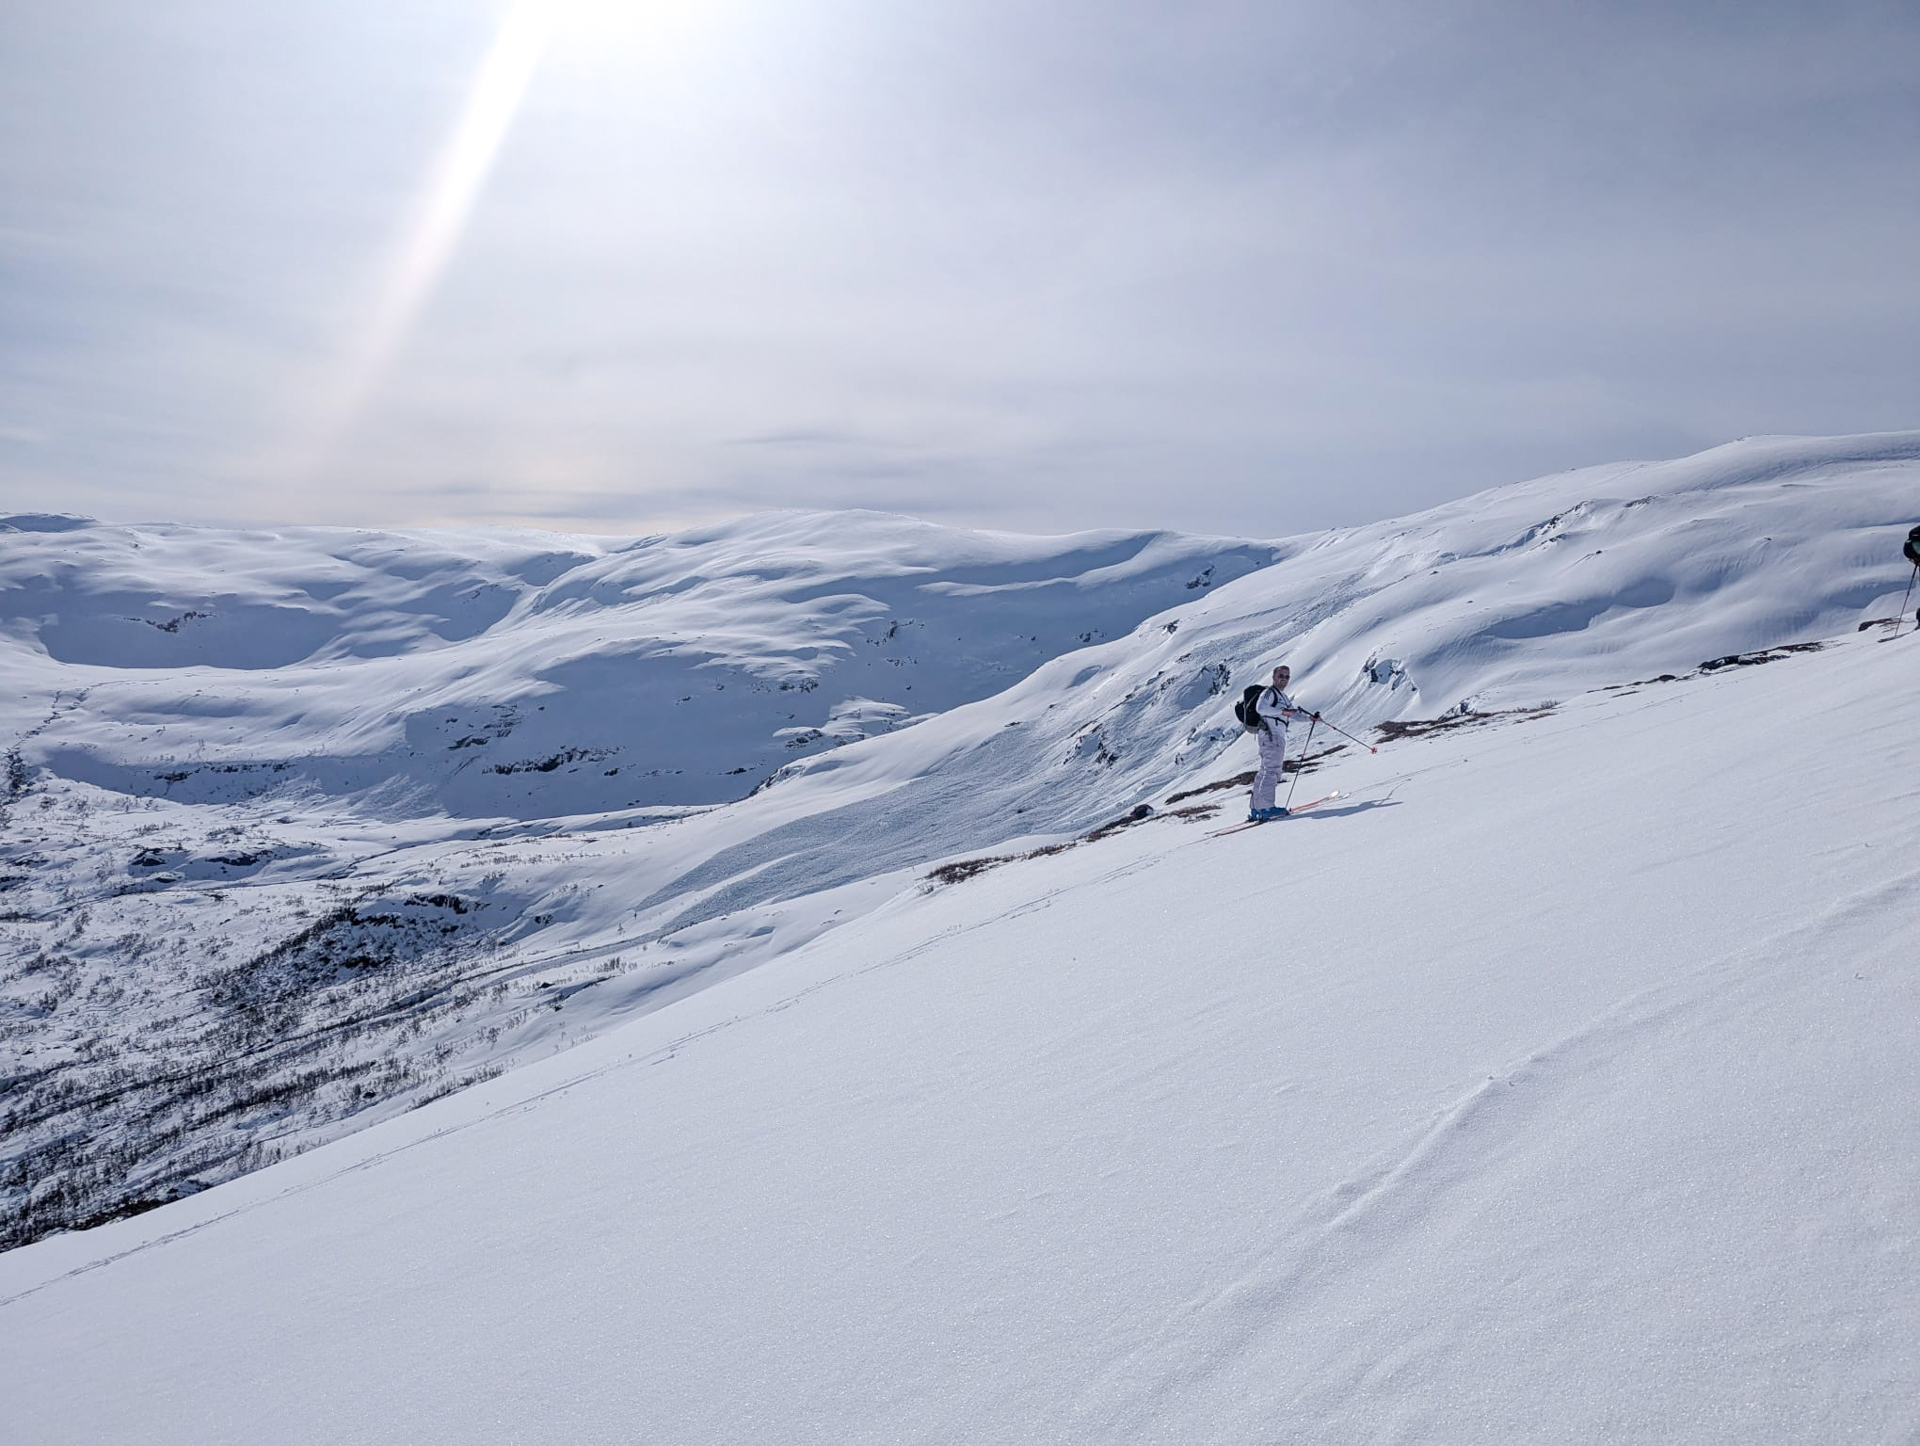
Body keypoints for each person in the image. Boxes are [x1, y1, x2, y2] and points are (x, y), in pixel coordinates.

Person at [1249, 664, 1319, 821]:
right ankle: (1267, 808)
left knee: (1264, 771)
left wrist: (1309, 719)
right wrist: (1282, 712)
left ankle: (1256, 808)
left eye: (1287, 676)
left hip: (1271, 735)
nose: (1284, 679)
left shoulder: (1282, 697)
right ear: (1274, 677)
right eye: (1281, 676)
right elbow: (1261, 708)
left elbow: (1293, 714)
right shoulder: (1269, 693)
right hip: (1271, 735)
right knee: (1271, 770)